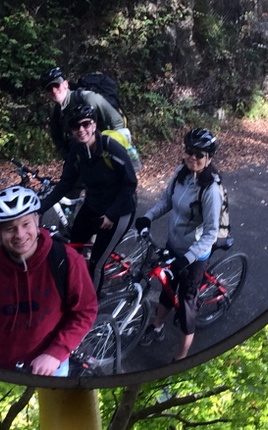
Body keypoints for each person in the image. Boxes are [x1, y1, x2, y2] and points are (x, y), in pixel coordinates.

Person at [0, 185, 97, 376]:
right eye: (10, 229)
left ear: (37, 221)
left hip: (49, 366)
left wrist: (56, 353)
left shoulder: (66, 261)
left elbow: (84, 311)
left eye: (26, 224)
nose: (20, 235)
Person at [136, 128, 223, 361]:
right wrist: (148, 217)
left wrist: (189, 257)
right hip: (174, 245)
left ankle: (181, 357)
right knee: (167, 288)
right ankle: (157, 326)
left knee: (186, 306)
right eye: (189, 151)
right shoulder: (180, 173)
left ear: (209, 158)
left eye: (199, 154)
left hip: (194, 255)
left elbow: (211, 233)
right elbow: (166, 201)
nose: (193, 157)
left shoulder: (211, 190)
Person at [38, 104, 137, 293]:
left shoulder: (110, 148)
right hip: (93, 205)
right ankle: (71, 288)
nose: (81, 129)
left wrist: (112, 214)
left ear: (94, 125)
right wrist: (39, 208)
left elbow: (130, 183)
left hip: (119, 210)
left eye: (85, 124)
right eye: (76, 126)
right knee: (72, 250)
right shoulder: (77, 151)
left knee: (96, 264)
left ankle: (91, 305)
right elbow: (65, 184)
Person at [40, 66, 128, 158]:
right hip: (84, 155)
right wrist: (68, 157)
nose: (54, 90)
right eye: (49, 88)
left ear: (65, 84)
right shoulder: (57, 112)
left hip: (106, 150)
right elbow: (57, 138)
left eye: (56, 85)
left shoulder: (88, 98)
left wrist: (112, 149)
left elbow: (118, 121)